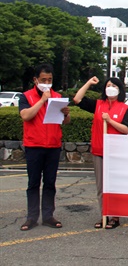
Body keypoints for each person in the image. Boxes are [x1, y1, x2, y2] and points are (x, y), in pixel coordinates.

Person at [73, 76, 128, 229]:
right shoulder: (98, 105)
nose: (110, 87)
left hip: (116, 153)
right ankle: (104, 215)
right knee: (102, 187)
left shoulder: (124, 108)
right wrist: (88, 82)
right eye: (108, 85)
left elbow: (126, 129)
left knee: (114, 186)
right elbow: (77, 99)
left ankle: (115, 217)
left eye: (113, 85)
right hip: (99, 151)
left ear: (119, 89)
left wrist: (111, 121)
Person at [19, 63, 71, 231]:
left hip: (53, 145)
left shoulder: (57, 96)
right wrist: (42, 100)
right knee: (33, 183)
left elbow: (66, 122)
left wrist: (66, 113)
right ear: (35, 80)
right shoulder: (26, 96)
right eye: (43, 80)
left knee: (50, 183)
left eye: (49, 80)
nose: (47, 83)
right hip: (34, 145)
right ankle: (32, 217)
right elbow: (26, 116)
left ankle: (48, 216)